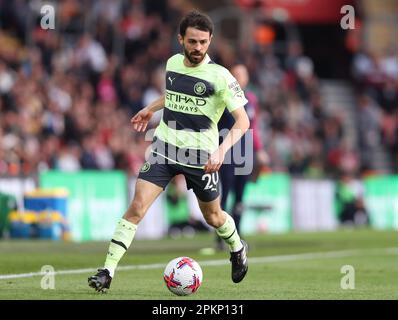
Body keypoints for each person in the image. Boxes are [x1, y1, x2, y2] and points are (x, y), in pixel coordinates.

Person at [88, 10, 250, 292]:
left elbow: (243, 121)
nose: (197, 47)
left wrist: (222, 151)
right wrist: (150, 109)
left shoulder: (221, 76)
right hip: (163, 148)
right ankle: (107, 272)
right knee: (136, 207)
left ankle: (236, 247)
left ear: (210, 41)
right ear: (181, 40)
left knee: (212, 217)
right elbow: (174, 95)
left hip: (201, 156)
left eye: (202, 42)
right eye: (192, 41)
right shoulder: (173, 63)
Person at [216, 64, 269, 250]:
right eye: (235, 74)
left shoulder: (251, 99)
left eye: (242, 74)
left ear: (246, 78)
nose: (239, 77)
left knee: (240, 196)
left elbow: (252, 126)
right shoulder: (223, 95)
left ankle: (237, 235)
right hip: (227, 151)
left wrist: (259, 149)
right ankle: (221, 237)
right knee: (224, 193)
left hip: (245, 151)